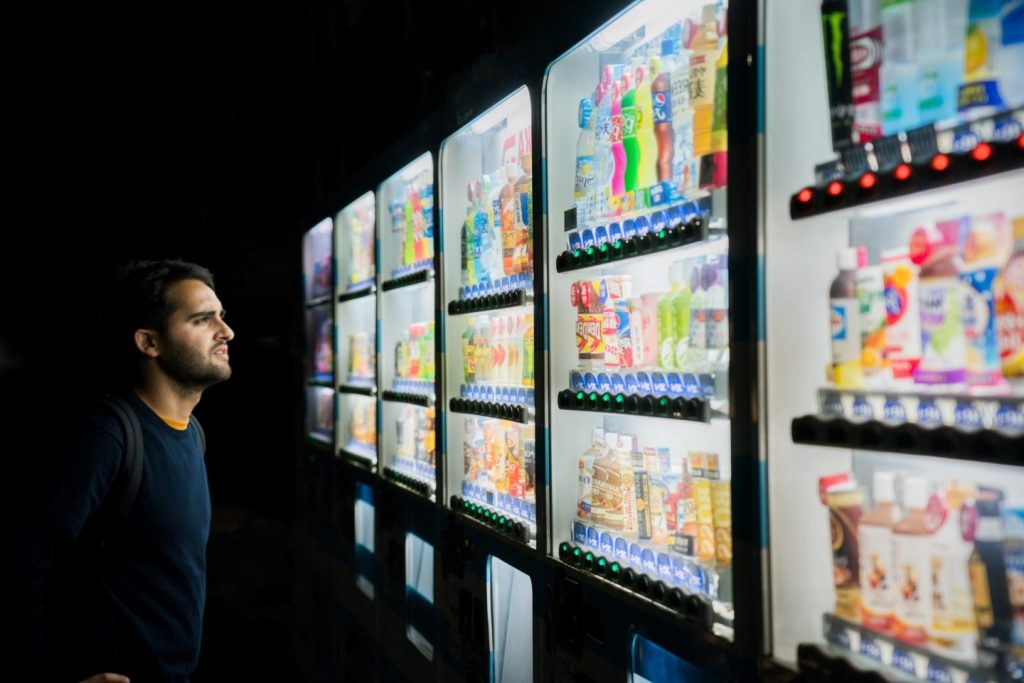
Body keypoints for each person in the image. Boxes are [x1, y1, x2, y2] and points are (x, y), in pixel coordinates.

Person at [15, 259, 234, 682]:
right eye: (203, 319)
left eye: (221, 317)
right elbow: (22, 562)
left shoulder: (192, 433)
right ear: (149, 342)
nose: (226, 332)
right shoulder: (106, 435)